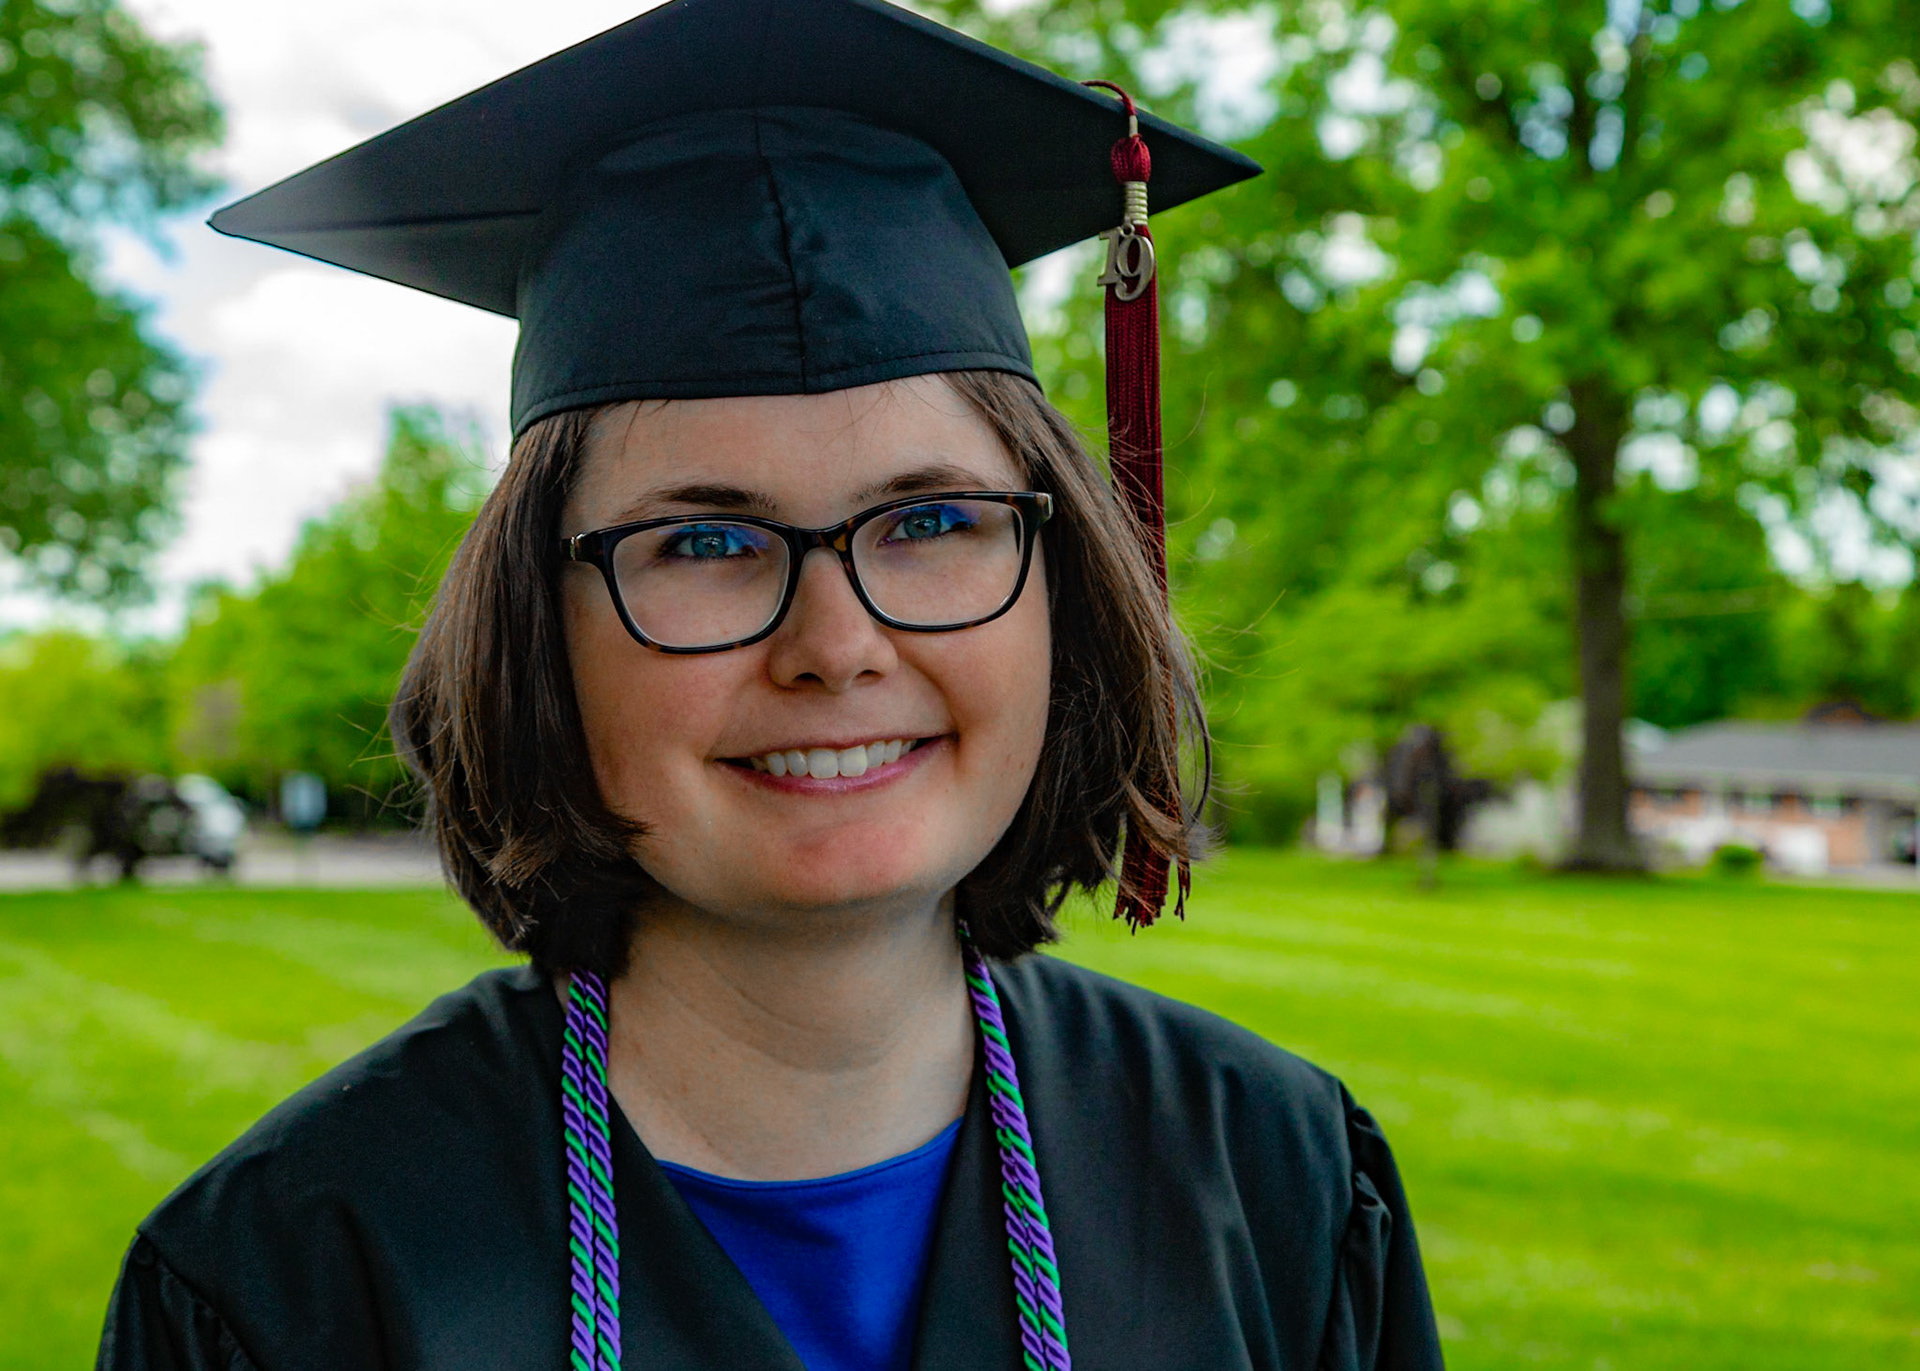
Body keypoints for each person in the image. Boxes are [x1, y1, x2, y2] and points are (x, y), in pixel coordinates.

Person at [96, 1, 1444, 1367]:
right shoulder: (287, 1283)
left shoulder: (1278, 1188)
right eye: (704, 542)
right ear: (536, 630)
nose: (835, 643)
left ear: (1064, 584)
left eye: (930, 523)